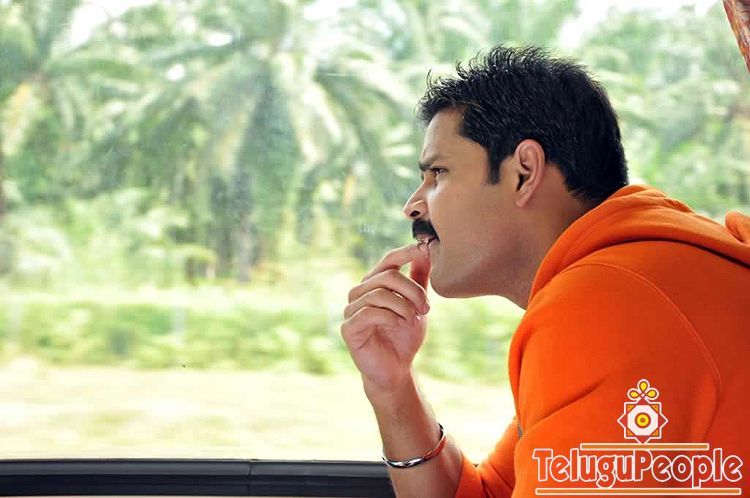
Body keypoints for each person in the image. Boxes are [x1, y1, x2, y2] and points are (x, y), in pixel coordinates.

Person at [340, 45, 750, 498]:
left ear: (524, 172)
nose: (413, 206)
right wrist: (393, 389)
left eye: (439, 172)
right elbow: (492, 493)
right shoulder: (636, 279)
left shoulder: (605, 307)